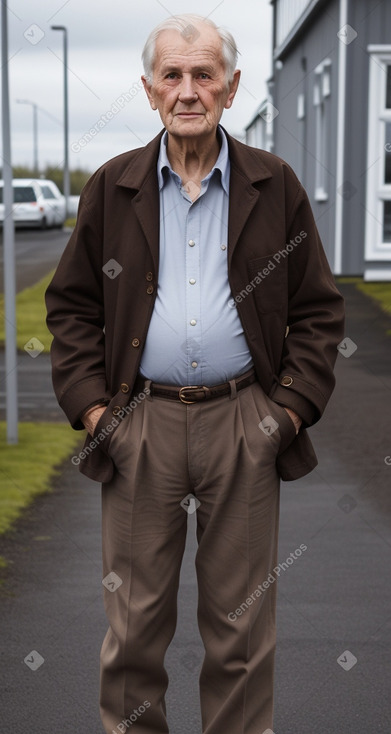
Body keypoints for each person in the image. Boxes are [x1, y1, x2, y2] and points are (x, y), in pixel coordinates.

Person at [45, 13, 345, 734]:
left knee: (240, 633)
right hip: (136, 425)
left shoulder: (274, 184)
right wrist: (96, 417)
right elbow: (71, 309)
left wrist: (284, 415)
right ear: (149, 90)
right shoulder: (112, 187)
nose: (188, 90)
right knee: (133, 630)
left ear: (231, 87)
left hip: (243, 421)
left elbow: (316, 312)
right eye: (172, 76)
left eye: (203, 74)